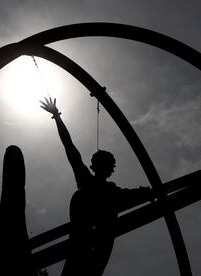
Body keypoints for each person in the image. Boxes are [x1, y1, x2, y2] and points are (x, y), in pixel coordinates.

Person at [40, 97, 154, 276]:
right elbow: (69, 147)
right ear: (95, 166)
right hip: (82, 242)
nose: (104, 168)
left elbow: (133, 195)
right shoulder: (87, 181)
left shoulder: (111, 191)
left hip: (98, 246)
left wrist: (147, 193)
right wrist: (57, 116)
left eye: (107, 165)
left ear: (109, 170)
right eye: (101, 164)